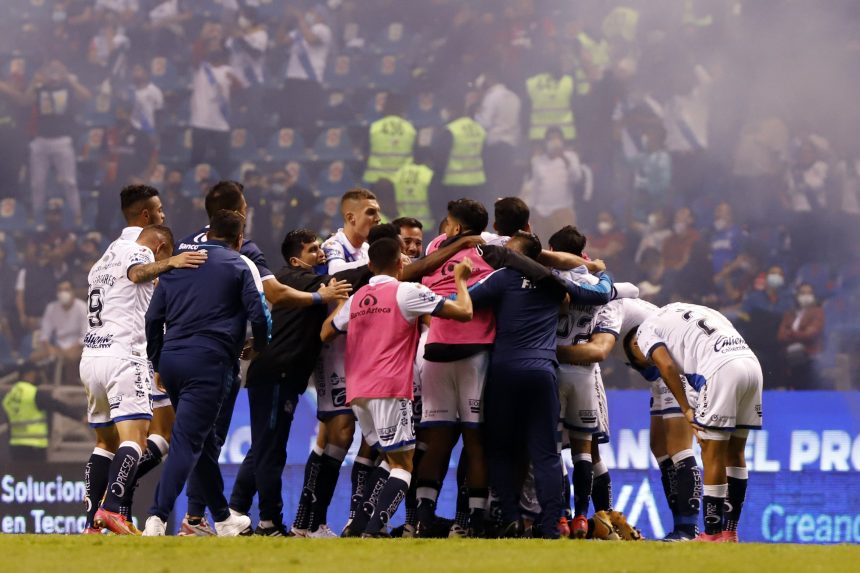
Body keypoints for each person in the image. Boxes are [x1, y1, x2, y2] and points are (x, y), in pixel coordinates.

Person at [175, 181, 349, 536]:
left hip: (185, 349)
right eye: (245, 206)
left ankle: (210, 515)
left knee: (214, 441)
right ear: (238, 213)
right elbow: (273, 294)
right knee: (241, 445)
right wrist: (320, 297)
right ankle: (267, 521)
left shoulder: (186, 243)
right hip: (222, 356)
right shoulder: (247, 249)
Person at [321, 237, 475, 537]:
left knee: (389, 459)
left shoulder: (358, 297)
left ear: (369, 265)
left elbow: (327, 331)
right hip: (390, 388)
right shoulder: (407, 291)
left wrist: (342, 302)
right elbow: (464, 312)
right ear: (399, 263)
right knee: (405, 465)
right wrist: (461, 281)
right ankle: (374, 530)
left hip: (357, 392)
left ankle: (359, 525)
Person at [470, 232, 614, 539]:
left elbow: (467, 300)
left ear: (516, 254)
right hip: (542, 372)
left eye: (508, 249)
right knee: (547, 453)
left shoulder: (503, 277)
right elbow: (601, 294)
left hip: (505, 371)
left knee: (500, 449)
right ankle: (550, 525)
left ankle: (509, 517)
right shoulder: (553, 283)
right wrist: (601, 271)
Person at [142, 211, 271, 536]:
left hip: (172, 360)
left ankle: (223, 518)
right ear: (239, 238)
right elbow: (259, 314)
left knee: (199, 439)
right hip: (209, 361)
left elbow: (152, 319)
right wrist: (258, 345)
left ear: (209, 233)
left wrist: (158, 360)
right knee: (188, 441)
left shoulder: (179, 264)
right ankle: (157, 517)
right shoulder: (239, 264)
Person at [80, 224, 202, 535]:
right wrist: (172, 263)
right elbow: (138, 274)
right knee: (141, 437)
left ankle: (93, 520)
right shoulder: (140, 252)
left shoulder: (104, 261)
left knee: (105, 443)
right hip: (129, 355)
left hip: (93, 354)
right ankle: (112, 506)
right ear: (161, 246)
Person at [558, 297, 701, 541]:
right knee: (660, 448)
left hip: (675, 367)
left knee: (678, 449)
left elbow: (601, 350)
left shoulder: (609, 308)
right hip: (660, 372)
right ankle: (677, 526)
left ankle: (688, 529)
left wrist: (542, 350)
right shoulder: (593, 310)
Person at [627, 303, 763, 542]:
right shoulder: (695, 313)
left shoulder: (645, 331)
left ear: (637, 345)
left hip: (721, 370)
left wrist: (686, 410)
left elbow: (667, 366)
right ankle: (730, 532)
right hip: (751, 365)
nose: (649, 363)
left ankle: (711, 534)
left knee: (712, 454)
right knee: (736, 453)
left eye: (644, 360)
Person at [26, 59, 92, 224]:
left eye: (57, 69)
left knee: (69, 182)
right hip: (41, 140)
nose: (53, 73)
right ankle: (37, 215)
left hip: (62, 140)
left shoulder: (68, 86)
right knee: (37, 183)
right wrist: (34, 82)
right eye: (50, 69)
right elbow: (25, 101)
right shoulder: (40, 87)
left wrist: (69, 79)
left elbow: (87, 96)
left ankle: (77, 215)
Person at [1, 362, 83, 462]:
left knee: (20, 476)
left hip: (15, 445)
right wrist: (79, 417)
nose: (38, 376)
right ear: (28, 374)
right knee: (38, 476)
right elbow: (57, 406)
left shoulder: (11, 395)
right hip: (34, 446)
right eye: (36, 373)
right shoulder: (33, 393)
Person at [189, 48, 245, 175]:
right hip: (200, 120)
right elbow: (196, 54)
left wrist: (234, 81)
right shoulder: (201, 68)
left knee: (223, 159)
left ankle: (223, 187)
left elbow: (240, 89)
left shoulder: (228, 70)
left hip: (220, 122)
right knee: (197, 156)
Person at [280, 3, 331, 138]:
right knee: (287, 115)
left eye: (313, 12)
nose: (310, 14)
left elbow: (311, 39)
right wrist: (285, 20)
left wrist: (301, 19)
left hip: (310, 79)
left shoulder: (323, 30)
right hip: (292, 77)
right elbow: (281, 40)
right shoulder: (299, 30)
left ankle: (307, 146)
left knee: (307, 117)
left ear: (321, 16)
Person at [526, 127, 583, 241]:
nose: (554, 142)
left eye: (557, 138)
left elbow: (577, 178)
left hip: (563, 209)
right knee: (544, 249)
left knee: (567, 247)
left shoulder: (571, 157)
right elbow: (535, 188)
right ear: (546, 143)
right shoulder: (538, 161)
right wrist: (532, 209)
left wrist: (564, 158)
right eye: (551, 139)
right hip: (542, 212)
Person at [433, 102, 487, 224]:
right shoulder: (479, 129)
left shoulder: (451, 129)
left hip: (454, 182)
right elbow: (486, 156)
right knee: (473, 219)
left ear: (452, 111)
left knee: (456, 221)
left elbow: (441, 158)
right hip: (476, 180)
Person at [474, 69, 522, 199]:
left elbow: (485, 123)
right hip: (510, 146)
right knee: (505, 184)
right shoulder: (514, 97)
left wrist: (475, 114)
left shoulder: (491, 97)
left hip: (494, 147)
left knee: (491, 184)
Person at [35, 281, 87, 386]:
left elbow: (86, 335)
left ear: (73, 292)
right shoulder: (51, 307)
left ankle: (71, 385)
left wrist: (73, 348)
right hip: (57, 345)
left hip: (77, 346)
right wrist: (48, 347)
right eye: (60, 290)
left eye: (66, 290)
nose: (63, 293)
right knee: (34, 357)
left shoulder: (82, 307)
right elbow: (45, 334)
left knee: (71, 357)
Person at [362, 94, 416, 188]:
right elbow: (416, 155)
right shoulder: (410, 129)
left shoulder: (374, 127)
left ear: (385, 107)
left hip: (377, 180)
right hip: (402, 180)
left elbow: (364, 151)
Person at [777, 283, 824, 390]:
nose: (806, 296)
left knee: (797, 356)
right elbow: (780, 335)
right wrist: (800, 333)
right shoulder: (790, 314)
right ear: (797, 296)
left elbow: (811, 334)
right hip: (788, 353)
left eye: (809, 293)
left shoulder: (818, 312)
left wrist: (791, 333)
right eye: (803, 293)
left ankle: (799, 393)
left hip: (809, 353)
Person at [389, 152, 435, 231]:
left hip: (401, 224)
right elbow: (434, 199)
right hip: (424, 225)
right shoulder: (428, 173)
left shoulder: (398, 173)